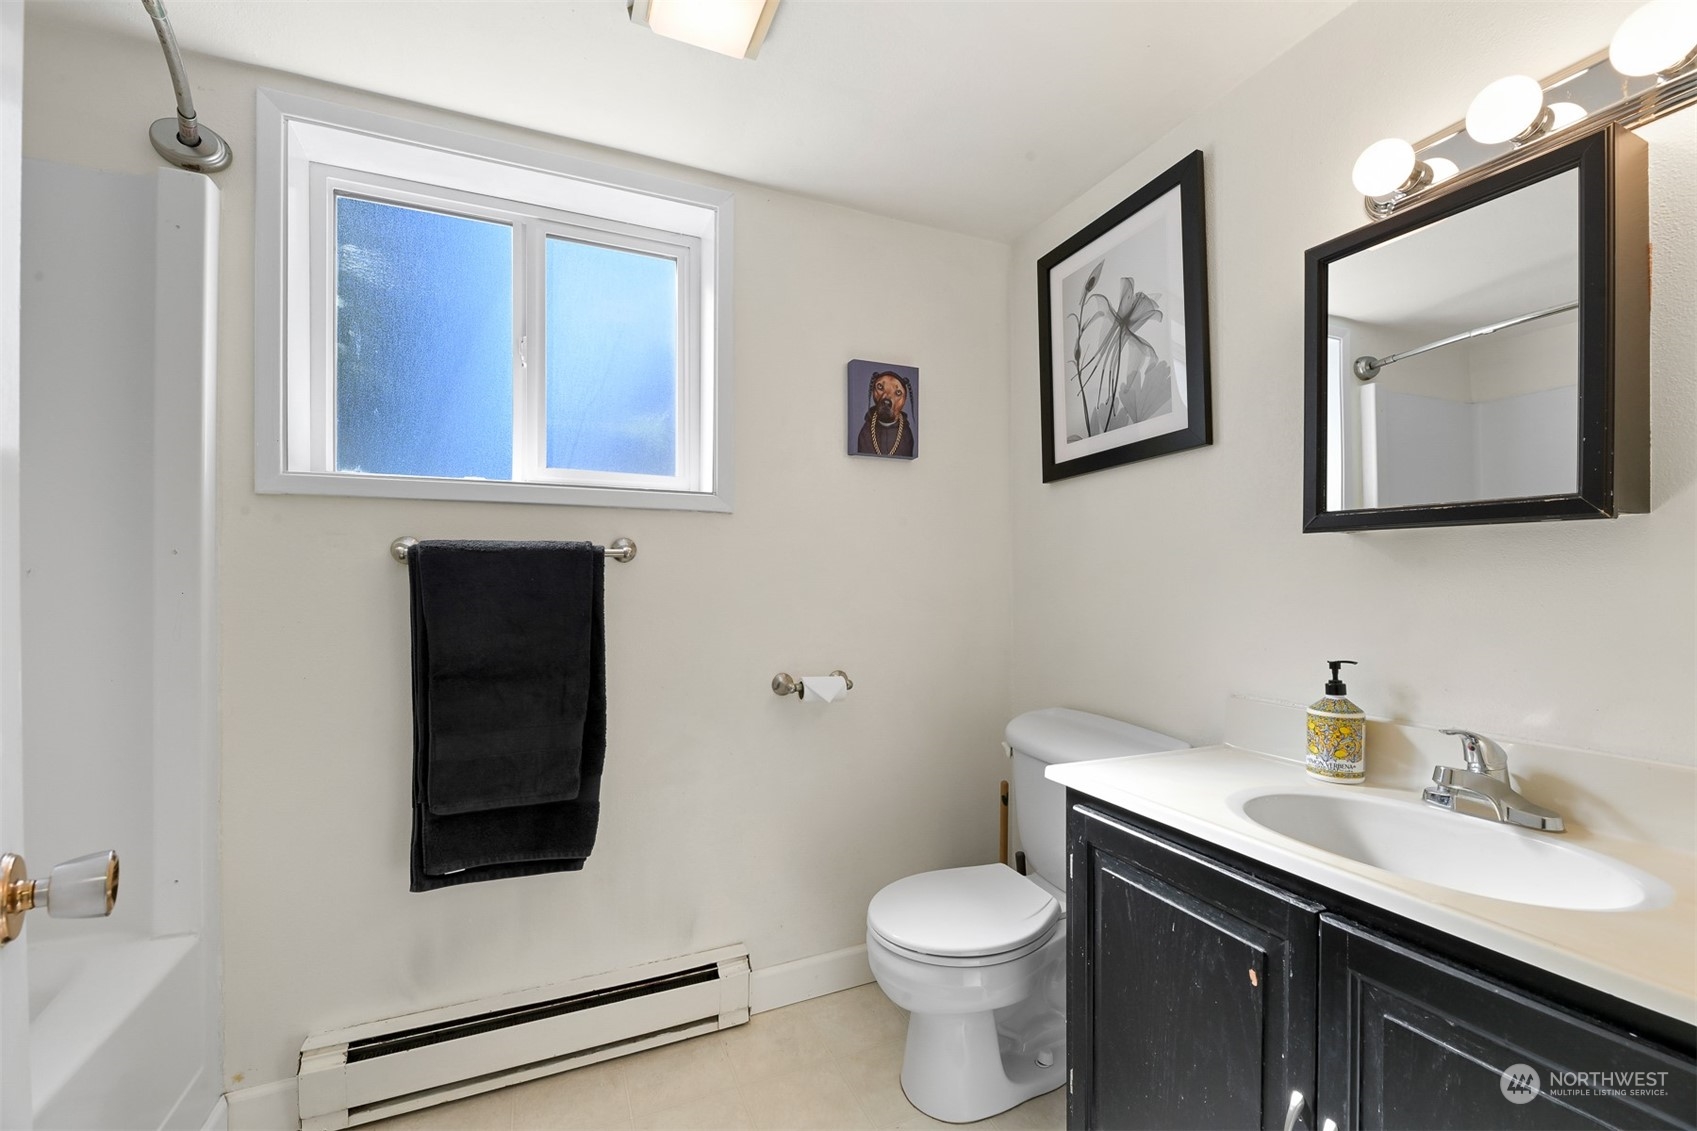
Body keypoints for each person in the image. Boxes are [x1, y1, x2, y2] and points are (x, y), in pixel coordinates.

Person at [855, 369, 917, 458]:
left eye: (898, 392)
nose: (886, 398)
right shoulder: (865, 433)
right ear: (873, 391)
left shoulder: (906, 436)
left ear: (904, 400)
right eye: (880, 387)